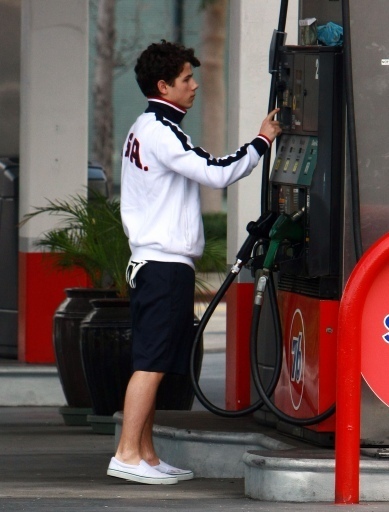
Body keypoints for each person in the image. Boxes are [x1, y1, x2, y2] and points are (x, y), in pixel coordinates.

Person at [107, 40, 282, 485]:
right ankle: (127, 452)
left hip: (158, 263)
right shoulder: (161, 132)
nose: (195, 85)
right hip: (163, 264)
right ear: (164, 85)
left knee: (158, 360)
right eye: (186, 78)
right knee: (151, 362)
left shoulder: (147, 128)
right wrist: (263, 140)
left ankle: (144, 454)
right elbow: (217, 171)